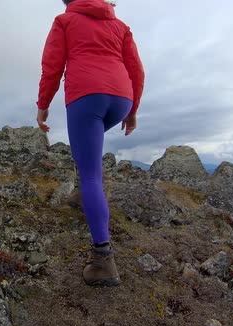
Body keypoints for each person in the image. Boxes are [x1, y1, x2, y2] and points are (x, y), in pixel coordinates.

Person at [36, 0, 145, 287]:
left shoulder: (65, 21)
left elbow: (52, 67)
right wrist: (132, 111)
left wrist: (43, 105)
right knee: (87, 151)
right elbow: (137, 71)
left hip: (87, 94)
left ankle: (104, 261)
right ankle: (84, 195)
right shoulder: (119, 26)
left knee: (91, 175)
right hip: (121, 98)